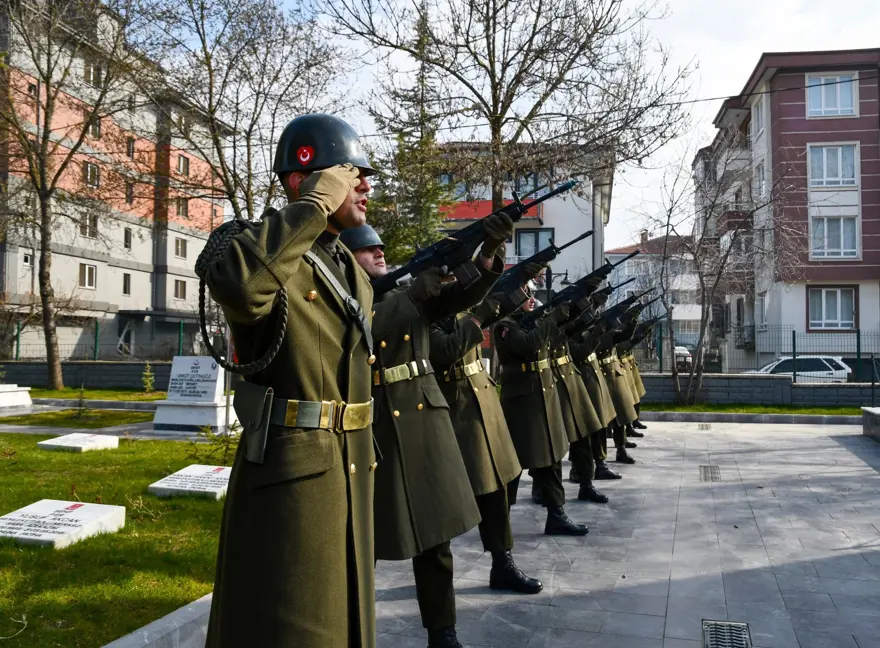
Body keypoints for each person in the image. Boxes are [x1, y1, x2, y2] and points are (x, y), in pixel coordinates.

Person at [198, 114, 378, 648]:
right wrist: (313, 207)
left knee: (346, 620)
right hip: (292, 483)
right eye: (351, 174)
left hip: (349, 470)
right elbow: (241, 284)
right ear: (306, 179)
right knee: (294, 626)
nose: (365, 187)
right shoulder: (254, 248)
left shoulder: (345, 264)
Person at [340, 220, 511, 648]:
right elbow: (363, 329)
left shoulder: (404, 295)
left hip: (423, 415)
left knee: (435, 536)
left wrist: (486, 256)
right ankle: (347, 629)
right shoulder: (346, 299)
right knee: (365, 537)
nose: (379, 253)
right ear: (347, 259)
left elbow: (461, 297)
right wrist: (416, 291)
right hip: (374, 424)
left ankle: (443, 630)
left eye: (381, 247)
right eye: (367, 250)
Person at [429, 298, 543, 595]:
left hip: (480, 405)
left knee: (495, 489)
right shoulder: (424, 312)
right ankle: (436, 586)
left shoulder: (463, 309)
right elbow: (445, 351)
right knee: (441, 503)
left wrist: (515, 292)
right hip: (448, 412)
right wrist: (477, 318)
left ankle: (502, 564)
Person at [494, 296, 589, 536]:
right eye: (525, 295)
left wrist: (580, 302)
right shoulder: (505, 325)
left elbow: (559, 334)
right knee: (514, 464)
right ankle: (497, 518)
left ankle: (556, 514)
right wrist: (552, 318)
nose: (532, 299)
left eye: (533, 293)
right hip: (521, 403)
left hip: (542, 398)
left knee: (551, 458)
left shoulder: (535, 322)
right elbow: (529, 345)